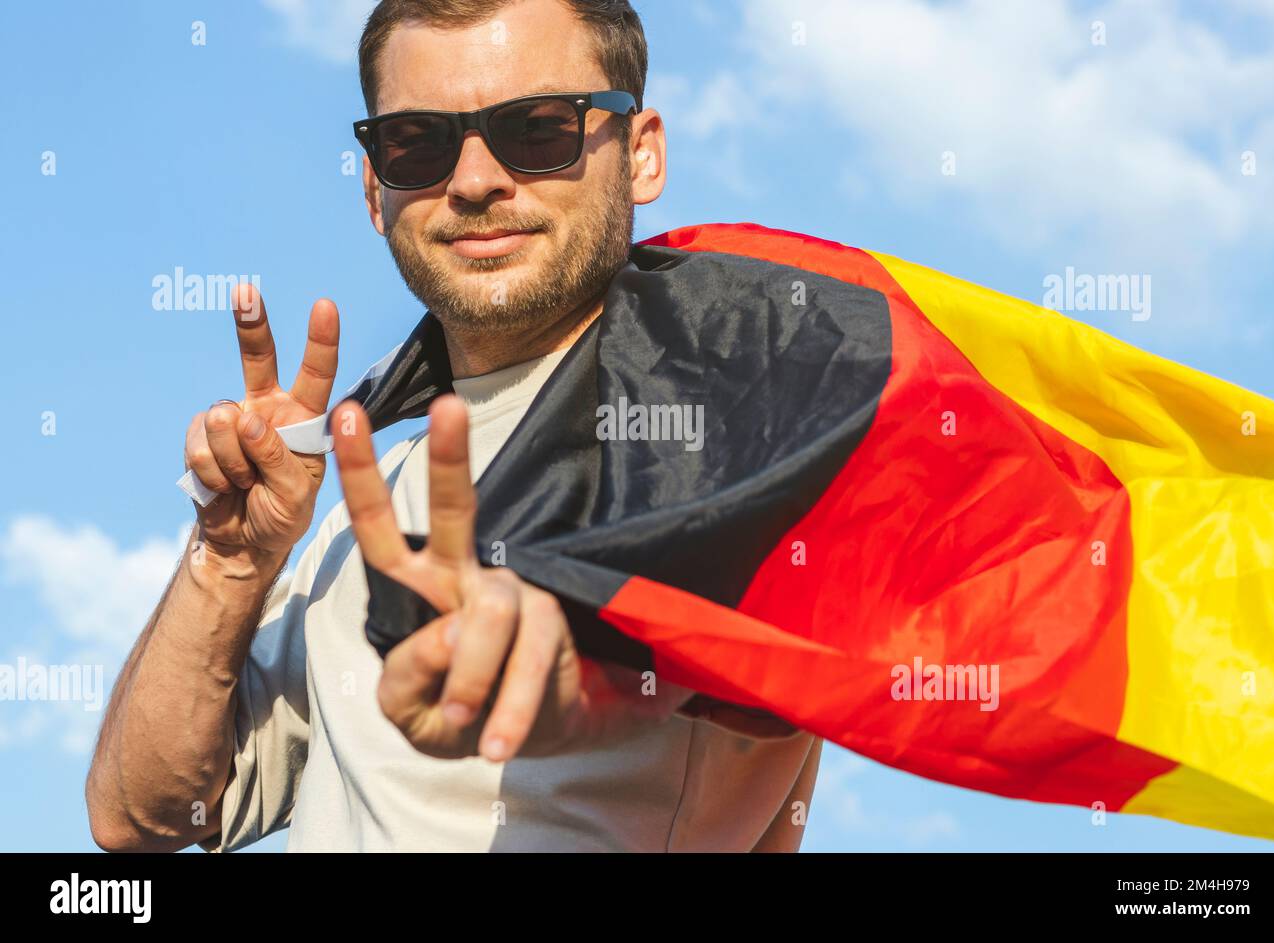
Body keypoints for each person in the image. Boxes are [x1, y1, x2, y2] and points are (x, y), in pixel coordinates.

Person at [85, 0, 821, 853]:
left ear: (642, 151)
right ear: (375, 189)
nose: (473, 180)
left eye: (539, 129)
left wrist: (566, 644)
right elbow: (140, 816)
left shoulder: (738, 434)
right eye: (420, 144)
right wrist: (232, 562)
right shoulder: (367, 496)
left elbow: (791, 660)